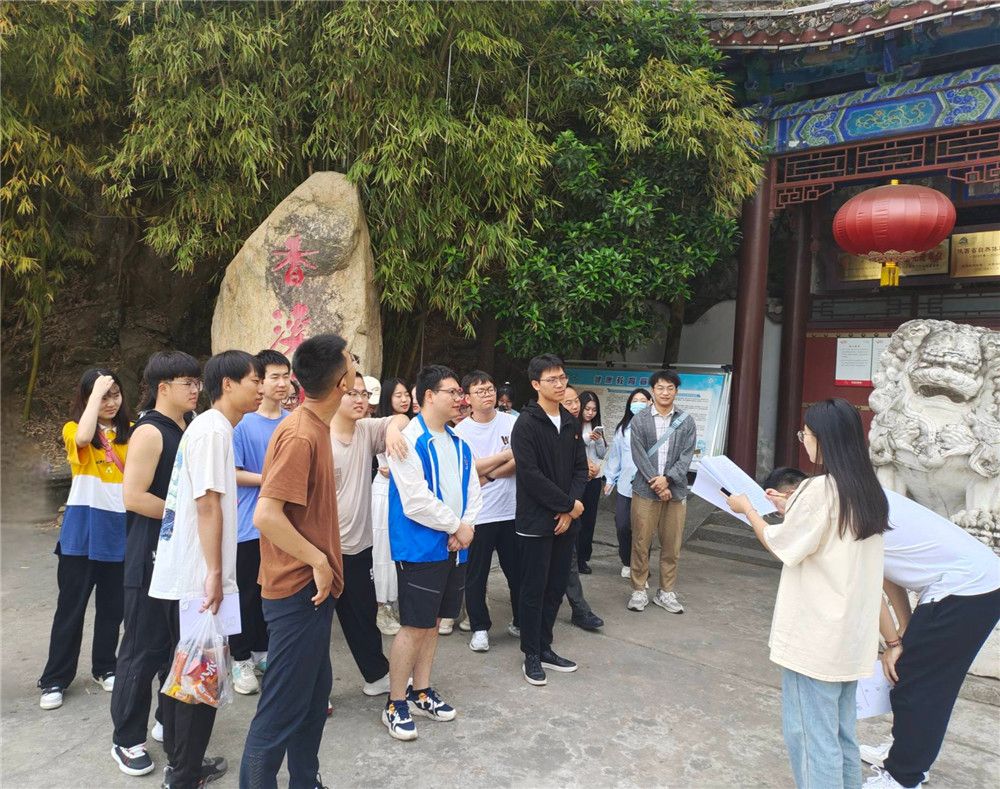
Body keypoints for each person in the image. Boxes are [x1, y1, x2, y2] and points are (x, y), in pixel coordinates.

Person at [726, 398, 889, 789]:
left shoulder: (818, 490)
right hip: (849, 636)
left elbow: (780, 545)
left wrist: (748, 510)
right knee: (841, 734)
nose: (804, 440)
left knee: (812, 738)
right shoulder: (868, 490)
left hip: (815, 637)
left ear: (824, 439)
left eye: (806, 434)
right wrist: (792, 508)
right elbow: (825, 535)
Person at [240, 335, 353, 788]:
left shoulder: (314, 425)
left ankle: (306, 780)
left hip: (311, 591)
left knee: (312, 697)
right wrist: (319, 561)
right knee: (280, 711)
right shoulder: (301, 434)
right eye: (352, 363)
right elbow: (267, 515)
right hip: (296, 590)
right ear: (342, 382)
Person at [149, 350, 262, 789]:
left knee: (186, 673)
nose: (260, 388)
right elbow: (208, 504)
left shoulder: (209, 428)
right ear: (228, 384)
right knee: (199, 677)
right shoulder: (213, 431)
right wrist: (214, 574)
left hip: (189, 575)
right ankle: (184, 775)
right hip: (198, 578)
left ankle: (182, 766)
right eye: (254, 380)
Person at [110, 352, 201, 777]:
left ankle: (168, 720)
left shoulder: (190, 425)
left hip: (183, 556)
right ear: (163, 388)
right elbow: (134, 496)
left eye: (197, 382)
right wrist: (187, 514)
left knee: (176, 646)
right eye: (188, 383)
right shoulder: (149, 431)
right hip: (149, 555)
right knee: (141, 650)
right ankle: (127, 738)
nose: (196, 389)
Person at [382, 365, 481, 741]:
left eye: (459, 393)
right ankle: (395, 701)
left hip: (455, 547)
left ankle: (421, 690)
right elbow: (415, 500)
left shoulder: (459, 442)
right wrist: (456, 527)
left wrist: (466, 527)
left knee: (436, 621)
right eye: (452, 392)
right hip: (420, 548)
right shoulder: (408, 440)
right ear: (428, 396)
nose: (459, 399)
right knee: (414, 625)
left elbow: (473, 490)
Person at [39, 368, 131, 712]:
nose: (110, 402)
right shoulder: (73, 429)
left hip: (119, 533)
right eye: (102, 397)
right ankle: (55, 678)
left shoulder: (133, 432)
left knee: (112, 609)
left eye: (115, 395)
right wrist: (95, 396)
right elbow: (83, 437)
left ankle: (105, 667)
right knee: (71, 609)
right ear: (88, 398)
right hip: (81, 536)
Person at [330, 371, 409, 696]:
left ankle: (376, 675)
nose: (360, 399)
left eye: (364, 394)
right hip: (322, 549)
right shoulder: (318, 436)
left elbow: (402, 418)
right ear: (334, 393)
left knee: (363, 615)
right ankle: (314, 692)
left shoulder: (365, 430)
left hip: (359, 547)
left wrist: (390, 430)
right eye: (352, 393)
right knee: (314, 628)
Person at [513, 355, 588, 686]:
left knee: (556, 587)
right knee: (534, 589)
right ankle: (530, 653)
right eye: (552, 380)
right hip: (535, 522)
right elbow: (530, 475)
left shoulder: (570, 422)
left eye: (562, 378)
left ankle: (545, 647)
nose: (560, 384)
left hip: (566, 520)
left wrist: (570, 509)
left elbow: (580, 469)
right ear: (535, 385)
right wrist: (567, 505)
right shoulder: (526, 424)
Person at [230, 349, 291, 695]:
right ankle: (240, 658)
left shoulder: (293, 421)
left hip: (285, 525)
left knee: (274, 593)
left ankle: (263, 652)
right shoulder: (242, 424)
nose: (282, 383)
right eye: (274, 377)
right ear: (259, 381)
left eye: (286, 376)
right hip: (249, 524)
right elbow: (234, 473)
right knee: (247, 595)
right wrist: (274, 479)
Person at [453, 371, 520, 653]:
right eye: (480, 391)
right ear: (467, 398)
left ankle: (521, 621)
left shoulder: (512, 422)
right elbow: (468, 469)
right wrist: (504, 455)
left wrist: (489, 474)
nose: (488, 395)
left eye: (490, 389)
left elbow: (521, 459)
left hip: (511, 511)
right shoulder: (460, 432)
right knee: (476, 576)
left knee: (517, 572)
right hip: (479, 515)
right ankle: (480, 628)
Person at [627, 369, 696, 614]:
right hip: (645, 491)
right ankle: (638, 589)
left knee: (672, 544)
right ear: (653, 391)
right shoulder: (640, 420)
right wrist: (657, 483)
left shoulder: (686, 421)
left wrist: (668, 480)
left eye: (670, 388)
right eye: (660, 388)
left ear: (676, 391)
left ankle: (666, 591)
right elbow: (638, 454)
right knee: (641, 541)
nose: (665, 392)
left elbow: (686, 456)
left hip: (675, 492)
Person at [558, 386, 604, 632]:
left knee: (569, 558)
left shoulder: (575, 430)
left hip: (569, 504)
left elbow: (578, 469)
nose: (575, 406)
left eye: (576, 401)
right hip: (546, 507)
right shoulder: (541, 428)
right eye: (569, 403)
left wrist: (571, 505)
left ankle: (579, 609)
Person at [372, 376, 413, 636]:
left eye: (406, 393)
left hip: (405, 491)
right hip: (385, 492)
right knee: (383, 549)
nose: (404, 399)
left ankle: (396, 603)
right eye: (398, 395)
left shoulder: (410, 424)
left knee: (400, 548)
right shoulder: (384, 424)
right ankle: (382, 607)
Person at [603, 388, 652, 578]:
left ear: (650, 403)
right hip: (625, 486)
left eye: (642, 400)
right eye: (635, 400)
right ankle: (626, 561)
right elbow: (615, 456)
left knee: (644, 529)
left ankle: (641, 566)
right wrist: (610, 479)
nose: (638, 403)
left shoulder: (655, 428)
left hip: (647, 487)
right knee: (622, 525)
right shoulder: (623, 429)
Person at [576, 390, 607, 574]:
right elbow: (573, 448)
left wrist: (600, 440)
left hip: (594, 479)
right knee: (575, 519)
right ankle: (572, 557)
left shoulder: (596, 427)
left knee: (589, 520)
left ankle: (583, 557)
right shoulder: (573, 425)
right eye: (587, 408)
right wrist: (588, 438)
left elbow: (602, 454)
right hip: (577, 479)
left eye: (594, 410)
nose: (590, 413)